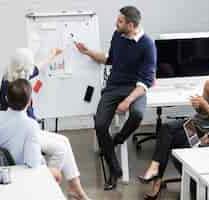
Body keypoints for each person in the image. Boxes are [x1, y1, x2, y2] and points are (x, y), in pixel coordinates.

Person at [75, 6, 156, 190]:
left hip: (135, 88)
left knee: (137, 115)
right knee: (100, 125)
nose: (116, 23)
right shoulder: (117, 36)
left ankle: (117, 140)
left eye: (120, 21)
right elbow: (109, 59)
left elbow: (146, 81)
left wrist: (128, 101)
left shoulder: (147, 44)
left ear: (131, 24)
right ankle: (114, 169)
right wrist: (88, 52)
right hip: (113, 87)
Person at [138, 60, 209, 200]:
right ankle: (155, 170)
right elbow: (201, 111)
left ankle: (159, 180)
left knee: (171, 143)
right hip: (195, 123)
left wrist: (204, 105)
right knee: (166, 129)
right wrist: (197, 105)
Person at [0, 49, 91, 200]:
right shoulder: (15, 87)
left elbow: (37, 67)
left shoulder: (14, 74)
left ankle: (76, 189)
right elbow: (22, 120)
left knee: (65, 141)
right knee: (61, 149)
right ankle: (45, 182)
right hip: (22, 132)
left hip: (26, 128)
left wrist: (53, 54)